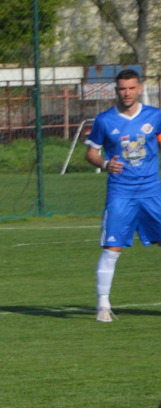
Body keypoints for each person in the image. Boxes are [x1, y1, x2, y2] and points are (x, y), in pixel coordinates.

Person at [83, 69, 161, 322]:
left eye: (131, 88)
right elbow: (91, 153)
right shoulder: (105, 120)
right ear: (116, 90)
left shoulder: (155, 116)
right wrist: (106, 164)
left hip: (152, 191)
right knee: (112, 248)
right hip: (121, 192)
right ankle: (103, 306)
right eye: (121, 88)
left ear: (140, 88)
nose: (126, 93)